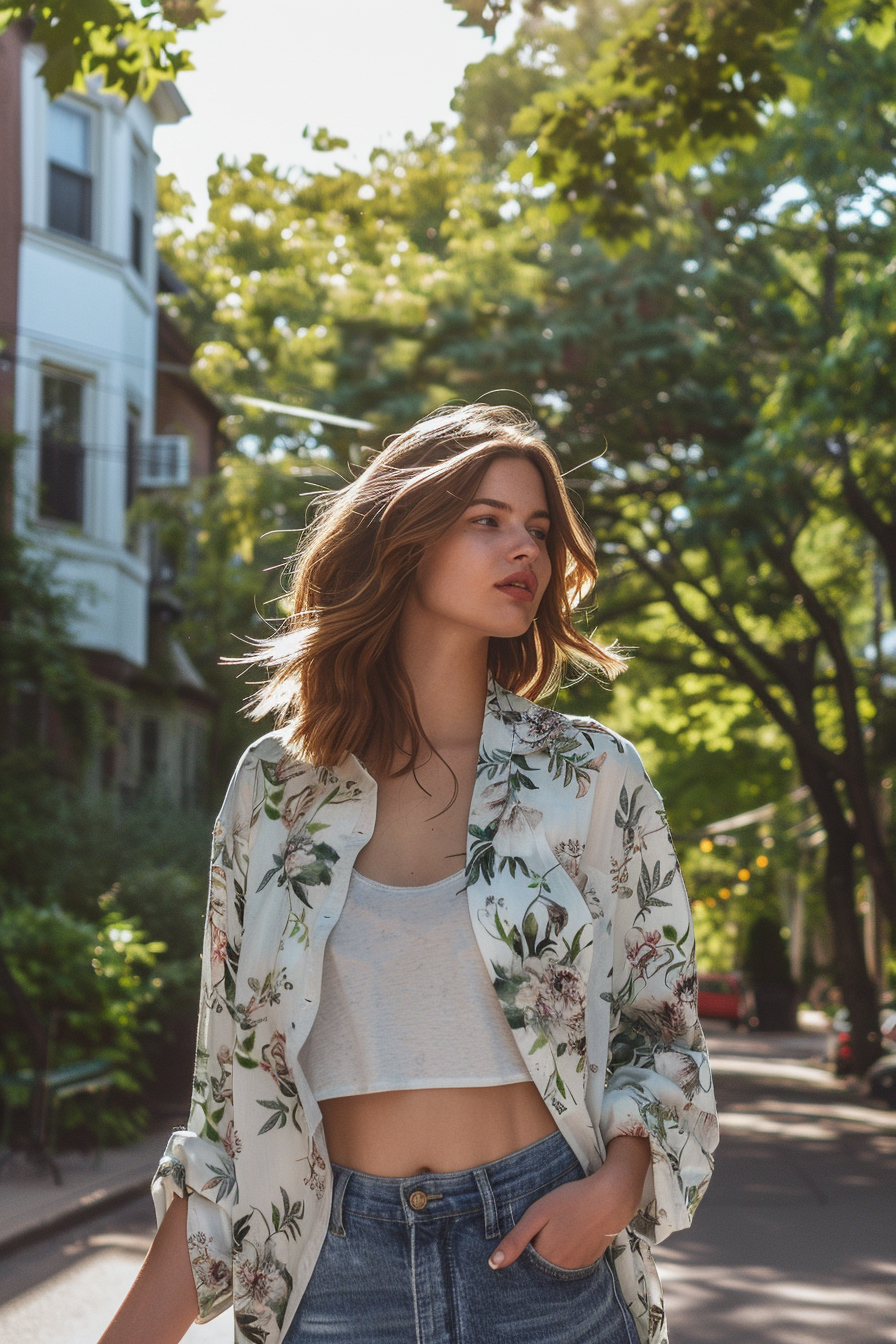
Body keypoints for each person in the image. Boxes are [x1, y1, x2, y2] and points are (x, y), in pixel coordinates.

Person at [98, 404, 718, 1344]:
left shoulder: (588, 776)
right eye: (488, 520)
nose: (528, 550)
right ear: (404, 534)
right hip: (334, 1272)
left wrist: (611, 1194)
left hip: (545, 1255)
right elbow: (232, 1103)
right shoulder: (275, 792)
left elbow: (661, 1029)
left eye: (540, 529)